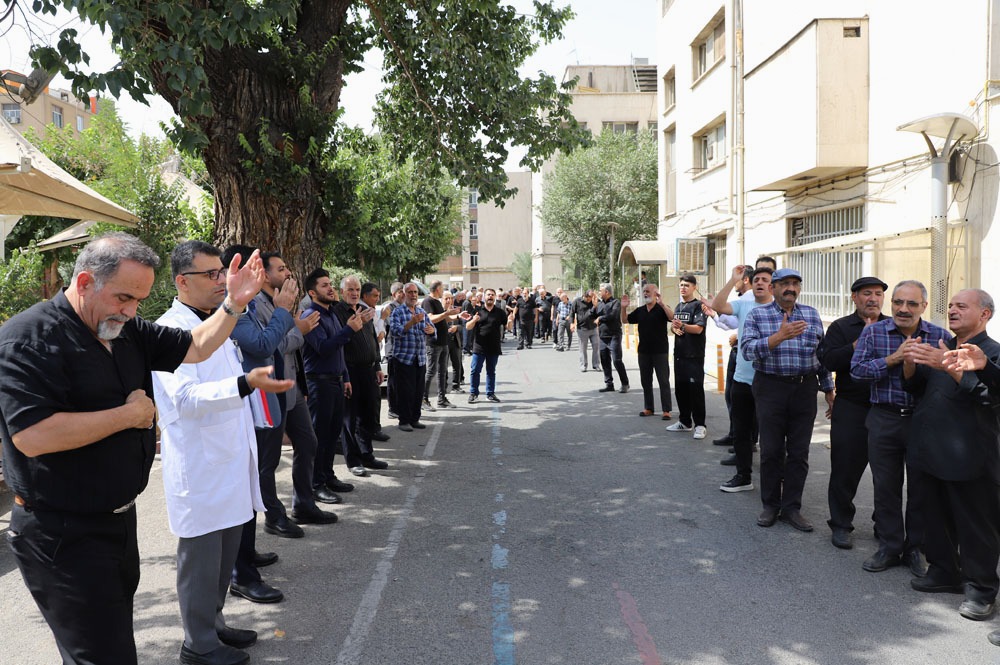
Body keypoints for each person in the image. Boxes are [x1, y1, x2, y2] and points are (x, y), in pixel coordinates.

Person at [0, 232, 266, 665]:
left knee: (112, 643)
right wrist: (128, 416)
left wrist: (233, 305)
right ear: (84, 282)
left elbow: (196, 346)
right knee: (102, 654)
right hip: (61, 532)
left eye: (139, 301)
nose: (130, 311)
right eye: (124, 298)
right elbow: (33, 436)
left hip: (118, 521)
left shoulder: (126, 329)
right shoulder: (28, 338)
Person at [153, 241, 295, 665]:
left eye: (223, 272)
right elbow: (184, 399)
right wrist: (244, 384)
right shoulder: (168, 331)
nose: (222, 281)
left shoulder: (219, 321)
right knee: (199, 562)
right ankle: (197, 644)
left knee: (223, 558)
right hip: (201, 469)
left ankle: (213, 624)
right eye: (212, 274)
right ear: (182, 281)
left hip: (230, 462)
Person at [905, 290, 1000, 624]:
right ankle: (944, 571)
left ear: (985, 314)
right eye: (950, 306)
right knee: (934, 517)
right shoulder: (943, 346)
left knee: (976, 527)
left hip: (971, 456)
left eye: (962, 306)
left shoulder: (992, 354)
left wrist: (949, 366)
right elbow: (917, 389)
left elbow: (989, 398)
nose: (952, 310)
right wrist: (911, 361)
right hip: (930, 450)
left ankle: (981, 590)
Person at [850, 280, 948, 575]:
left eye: (911, 304)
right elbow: (856, 371)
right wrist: (893, 359)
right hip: (885, 418)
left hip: (923, 422)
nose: (903, 309)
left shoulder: (940, 336)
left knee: (921, 488)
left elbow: (947, 378)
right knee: (885, 486)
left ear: (924, 306)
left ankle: (915, 548)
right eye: (897, 302)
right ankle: (890, 547)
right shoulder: (873, 332)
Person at [742, 267, 835, 532]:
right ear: (773, 288)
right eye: (784, 284)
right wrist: (777, 337)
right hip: (770, 387)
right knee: (771, 450)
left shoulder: (811, 315)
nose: (790, 288)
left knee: (799, 452)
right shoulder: (758, 315)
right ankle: (770, 505)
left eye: (795, 284)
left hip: (804, 388)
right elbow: (747, 350)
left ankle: (792, 508)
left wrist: (829, 389)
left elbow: (821, 356)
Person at [815, 276, 888, 551]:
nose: (873, 298)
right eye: (867, 293)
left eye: (878, 294)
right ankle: (841, 525)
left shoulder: (893, 326)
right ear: (854, 297)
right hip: (851, 407)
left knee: (887, 474)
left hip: (886, 409)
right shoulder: (841, 327)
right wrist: (858, 344)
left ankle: (885, 525)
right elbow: (828, 360)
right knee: (844, 469)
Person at [300, 268, 364, 521]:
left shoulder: (332, 314)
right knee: (320, 436)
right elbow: (324, 348)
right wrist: (349, 330)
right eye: (324, 285)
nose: (330, 288)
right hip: (319, 383)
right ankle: (316, 484)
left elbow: (339, 351)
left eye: (330, 284)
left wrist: (345, 377)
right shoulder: (311, 315)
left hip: (336, 381)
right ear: (312, 292)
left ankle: (328, 476)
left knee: (332, 433)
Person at [710, 266, 774, 492]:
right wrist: (732, 280)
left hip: (769, 382)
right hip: (742, 380)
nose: (760, 283)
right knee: (741, 432)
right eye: (756, 279)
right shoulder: (743, 304)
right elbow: (718, 306)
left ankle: (775, 478)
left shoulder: (778, 308)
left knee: (771, 435)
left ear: (772, 286)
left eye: (765, 280)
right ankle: (743, 477)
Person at [665, 274, 708, 439]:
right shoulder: (679, 306)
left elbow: (698, 329)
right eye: (681, 285)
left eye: (687, 285)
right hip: (679, 355)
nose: (683, 288)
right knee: (681, 390)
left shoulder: (698, 306)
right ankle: (684, 422)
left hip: (694, 356)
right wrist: (674, 329)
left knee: (695, 391)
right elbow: (675, 327)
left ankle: (700, 425)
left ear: (694, 287)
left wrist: (682, 326)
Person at [389, 282, 437, 431]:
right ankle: (404, 421)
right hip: (404, 359)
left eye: (415, 292)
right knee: (405, 392)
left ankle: (415, 419)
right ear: (404, 294)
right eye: (410, 292)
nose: (413, 295)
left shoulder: (421, 311)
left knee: (418, 391)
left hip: (420, 358)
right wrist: (411, 322)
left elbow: (433, 329)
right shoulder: (398, 312)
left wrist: (431, 331)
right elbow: (395, 332)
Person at [625, 283, 674, 420]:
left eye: (648, 291)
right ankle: (649, 408)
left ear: (655, 293)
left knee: (663, 381)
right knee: (646, 381)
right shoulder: (640, 311)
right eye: (644, 291)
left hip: (660, 351)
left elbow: (672, 317)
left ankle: (666, 410)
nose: (645, 293)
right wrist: (623, 308)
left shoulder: (661, 308)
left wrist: (662, 304)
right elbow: (625, 320)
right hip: (644, 352)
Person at [466, 288, 512, 403]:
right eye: (488, 295)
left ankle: (490, 394)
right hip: (479, 346)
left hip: (494, 346)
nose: (490, 296)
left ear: (495, 297)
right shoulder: (477, 311)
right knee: (475, 371)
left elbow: (508, 327)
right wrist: (474, 320)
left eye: (492, 295)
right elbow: (468, 327)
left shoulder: (500, 312)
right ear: (484, 297)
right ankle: (473, 393)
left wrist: (510, 321)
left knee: (491, 371)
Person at [421, 280, 462, 410]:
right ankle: (423, 399)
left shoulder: (437, 302)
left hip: (443, 342)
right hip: (433, 343)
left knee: (442, 372)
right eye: (442, 288)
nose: (443, 291)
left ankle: (441, 399)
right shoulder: (427, 301)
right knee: (431, 371)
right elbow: (430, 318)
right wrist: (446, 313)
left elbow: (444, 318)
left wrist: (458, 316)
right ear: (438, 289)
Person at [595, 283, 629, 393]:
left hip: (614, 335)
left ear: (607, 292)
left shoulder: (616, 302)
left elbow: (613, 316)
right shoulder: (599, 304)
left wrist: (600, 318)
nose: (599, 292)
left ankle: (625, 384)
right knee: (604, 360)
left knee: (617, 360)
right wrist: (594, 307)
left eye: (600, 290)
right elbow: (593, 315)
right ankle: (609, 384)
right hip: (602, 336)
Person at [382, 282, 405, 418]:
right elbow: (393, 325)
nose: (403, 294)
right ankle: (392, 409)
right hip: (393, 350)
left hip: (404, 350)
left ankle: (401, 407)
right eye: (400, 292)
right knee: (393, 381)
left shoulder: (406, 307)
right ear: (393, 294)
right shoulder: (389, 308)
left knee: (402, 381)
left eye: (403, 291)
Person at [443, 291, 466, 392]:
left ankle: (456, 385)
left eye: (451, 298)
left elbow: (463, 325)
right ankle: (443, 386)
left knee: (457, 364)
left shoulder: (457, 311)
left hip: (455, 340)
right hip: (444, 341)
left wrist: (456, 327)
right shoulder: (440, 312)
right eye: (446, 298)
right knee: (443, 365)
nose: (449, 300)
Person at [572, 289, 600, 371]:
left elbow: (601, 309)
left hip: (593, 328)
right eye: (588, 297)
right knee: (583, 348)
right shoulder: (577, 301)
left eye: (591, 297)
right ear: (584, 295)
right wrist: (571, 323)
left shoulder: (595, 301)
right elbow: (572, 313)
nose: (589, 299)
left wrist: (596, 303)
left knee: (596, 346)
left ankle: (596, 365)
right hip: (582, 329)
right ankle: (583, 365)